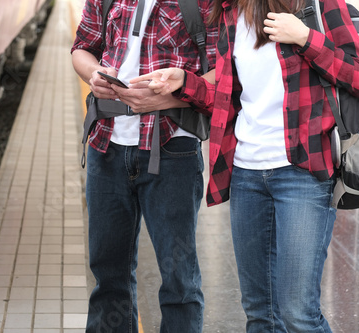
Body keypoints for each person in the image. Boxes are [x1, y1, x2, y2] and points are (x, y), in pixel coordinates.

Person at [131, 0, 359, 331]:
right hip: (246, 175)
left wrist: (305, 37)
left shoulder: (319, 4)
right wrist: (184, 81)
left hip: (303, 174)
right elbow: (228, 95)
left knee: (298, 313)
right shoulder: (229, 14)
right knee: (259, 312)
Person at [71, 0, 217, 331]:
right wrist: (94, 74)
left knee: (179, 280)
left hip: (172, 149)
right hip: (105, 146)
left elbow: (227, 70)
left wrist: (172, 96)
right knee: (108, 275)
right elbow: (82, 47)